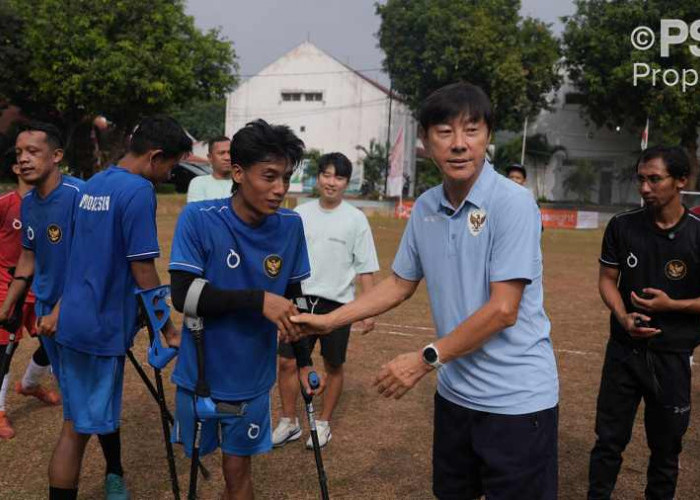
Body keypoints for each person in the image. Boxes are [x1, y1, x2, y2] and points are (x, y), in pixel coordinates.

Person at [292, 82, 559, 499]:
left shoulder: (513, 203)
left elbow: (504, 309)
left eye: (471, 130)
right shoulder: (427, 207)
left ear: (488, 136)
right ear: (425, 141)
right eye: (444, 132)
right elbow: (400, 283)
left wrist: (424, 359)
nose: (458, 144)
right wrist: (329, 320)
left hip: (517, 402)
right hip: (456, 397)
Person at [168, 119, 319, 499]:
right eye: (269, 176)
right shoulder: (198, 219)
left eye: (285, 177)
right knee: (194, 472)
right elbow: (183, 295)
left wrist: (304, 361)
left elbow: (295, 297)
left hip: (251, 381)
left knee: (239, 474)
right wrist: (258, 300)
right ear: (238, 172)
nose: (280, 189)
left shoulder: (290, 225)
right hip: (199, 375)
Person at [48, 116, 190, 500]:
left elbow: (79, 255)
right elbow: (143, 266)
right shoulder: (140, 191)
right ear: (155, 156)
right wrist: (167, 328)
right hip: (98, 327)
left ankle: (113, 473)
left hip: (76, 320)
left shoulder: (95, 183)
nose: (169, 174)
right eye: (171, 166)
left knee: (76, 423)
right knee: (76, 429)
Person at [588, 145, 700, 500]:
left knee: (666, 451)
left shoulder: (697, 233)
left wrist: (673, 305)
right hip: (624, 353)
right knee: (608, 442)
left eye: (655, 179)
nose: (645, 188)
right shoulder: (622, 226)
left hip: (672, 356)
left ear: (681, 181)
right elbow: (608, 279)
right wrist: (623, 317)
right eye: (641, 179)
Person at [272, 152, 378, 449]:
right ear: (318, 177)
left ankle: (323, 423)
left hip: (337, 305)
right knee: (287, 361)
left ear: (347, 182)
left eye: (339, 177)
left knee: (333, 365)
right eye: (327, 175)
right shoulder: (299, 214)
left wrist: (368, 310)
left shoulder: (356, 219)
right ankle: (289, 421)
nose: (332, 182)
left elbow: (365, 267)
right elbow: (284, 260)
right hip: (300, 300)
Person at [0, 153, 60, 440]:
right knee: (3, 351)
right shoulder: (5, 204)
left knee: (53, 338)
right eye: (21, 157)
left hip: (41, 287)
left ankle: (30, 383)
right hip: (7, 286)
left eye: (34, 154)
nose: (27, 161)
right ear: (14, 168)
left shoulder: (48, 205)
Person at [186, 136, 233, 202]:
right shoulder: (198, 183)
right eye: (221, 153)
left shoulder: (243, 184)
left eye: (230, 153)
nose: (227, 158)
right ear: (210, 157)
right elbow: (197, 211)